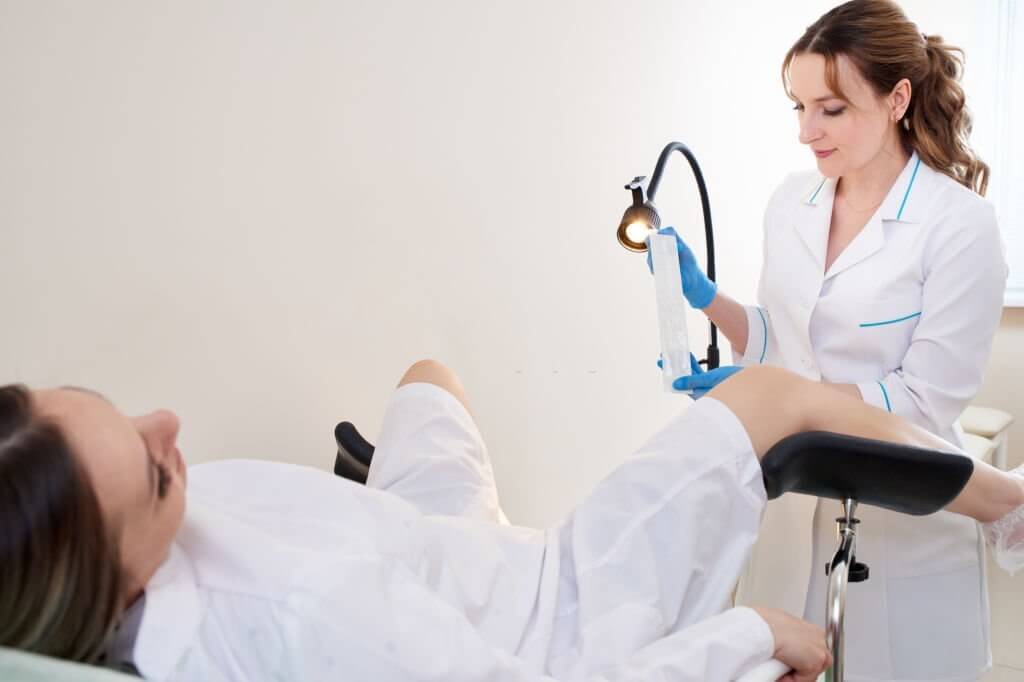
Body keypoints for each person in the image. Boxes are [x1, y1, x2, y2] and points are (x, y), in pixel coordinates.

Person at [2, 360, 1024, 682]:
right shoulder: (304, 614)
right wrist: (751, 632)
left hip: (425, 545)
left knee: (426, 375)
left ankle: (468, 506)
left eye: (108, 400)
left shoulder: (60, 537)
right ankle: (1007, 507)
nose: (169, 422)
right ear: (114, 572)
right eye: (154, 464)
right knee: (773, 397)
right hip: (552, 607)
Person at [653, 1, 1009, 678]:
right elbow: (777, 342)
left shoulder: (958, 226)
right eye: (798, 107)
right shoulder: (793, 201)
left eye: (831, 109)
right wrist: (709, 301)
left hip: (902, 517)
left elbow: (924, 403)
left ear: (897, 98)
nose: (806, 132)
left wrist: (779, 398)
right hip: (789, 511)